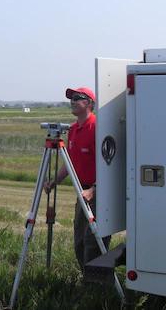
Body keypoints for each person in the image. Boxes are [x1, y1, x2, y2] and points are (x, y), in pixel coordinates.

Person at [44, 87, 111, 271]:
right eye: (71, 98)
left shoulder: (99, 127)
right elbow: (70, 162)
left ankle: (96, 287)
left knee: (94, 241)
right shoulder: (73, 130)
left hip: (98, 192)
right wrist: (54, 181)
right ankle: (86, 280)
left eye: (77, 98)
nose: (72, 101)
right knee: (80, 240)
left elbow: (109, 165)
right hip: (82, 192)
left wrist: (93, 190)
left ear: (89, 103)